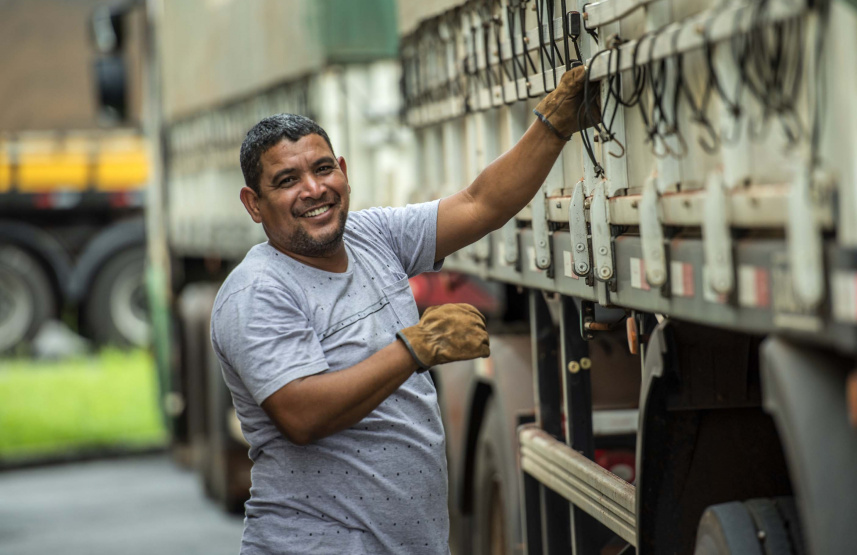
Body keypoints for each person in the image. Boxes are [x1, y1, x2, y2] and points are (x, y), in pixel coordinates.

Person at [210, 65, 591, 554]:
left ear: (343, 171)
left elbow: (481, 203)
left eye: (322, 169)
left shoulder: (374, 237)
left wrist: (553, 125)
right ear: (254, 204)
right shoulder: (258, 291)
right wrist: (417, 346)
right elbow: (301, 414)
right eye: (287, 180)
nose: (313, 189)